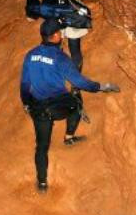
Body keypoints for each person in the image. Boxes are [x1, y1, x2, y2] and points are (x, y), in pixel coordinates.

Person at [20, 19, 120, 192]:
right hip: (58, 106)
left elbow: (24, 84)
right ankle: (69, 137)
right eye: (61, 32)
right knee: (76, 102)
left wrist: (27, 104)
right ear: (56, 36)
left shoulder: (30, 55)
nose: (63, 35)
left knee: (42, 147)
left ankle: (42, 183)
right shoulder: (61, 58)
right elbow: (80, 82)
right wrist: (101, 87)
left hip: (39, 109)